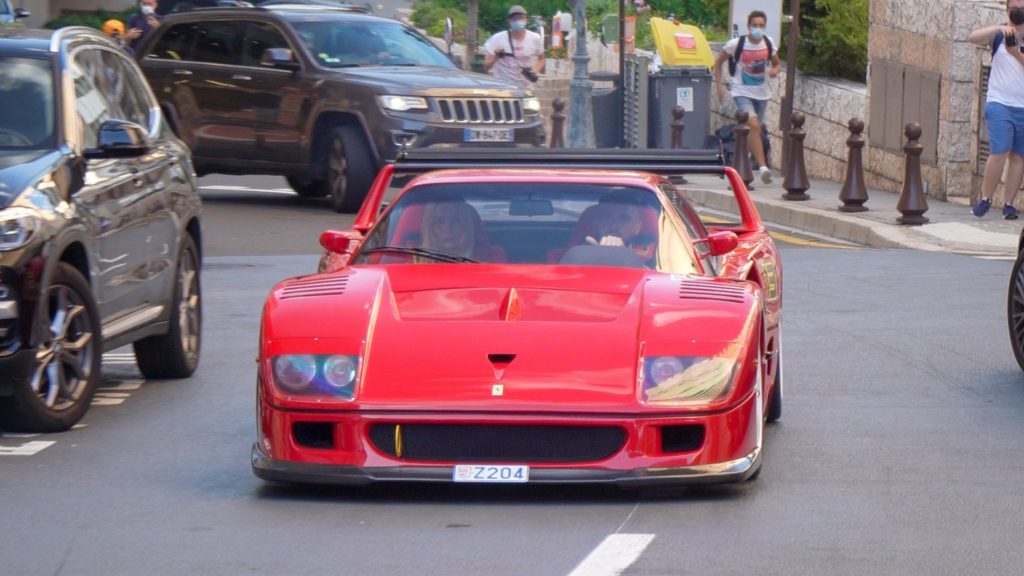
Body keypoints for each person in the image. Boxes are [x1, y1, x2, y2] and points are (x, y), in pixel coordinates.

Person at [969, 0, 1024, 219]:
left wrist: (1015, 53)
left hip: (1022, 105)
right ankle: (986, 198)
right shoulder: (999, 35)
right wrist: (998, 28)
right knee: (999, 151)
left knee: (1019, 157)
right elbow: (973, 37)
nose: (1018, 11)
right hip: (999, 102)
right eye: (1015, 8)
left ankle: (1009, 204)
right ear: (1007, 10)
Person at [713, 10, 781, 185]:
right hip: (740, 91)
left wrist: (774, 71)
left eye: (761, 25)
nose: (758, 28)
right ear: (748, 26)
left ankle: (743, 160)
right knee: (753, 125)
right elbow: (718, 62)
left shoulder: (768, 43)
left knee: (755, 129)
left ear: (764, 26)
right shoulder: (737, 44)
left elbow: (776, 63)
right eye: (754, 25)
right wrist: (719, 86)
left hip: (762, 93)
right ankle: (763, 168)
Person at [483, 5, 544, 89]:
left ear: (526, 20)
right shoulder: (497, 39)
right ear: (509, 21)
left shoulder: (535, 38)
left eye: (521, 18)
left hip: (525, 88)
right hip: (502, 88)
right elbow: (486, 66)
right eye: (514, 18)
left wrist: (534, 72)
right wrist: (496, 56)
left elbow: (541, 59)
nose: (518, 21)